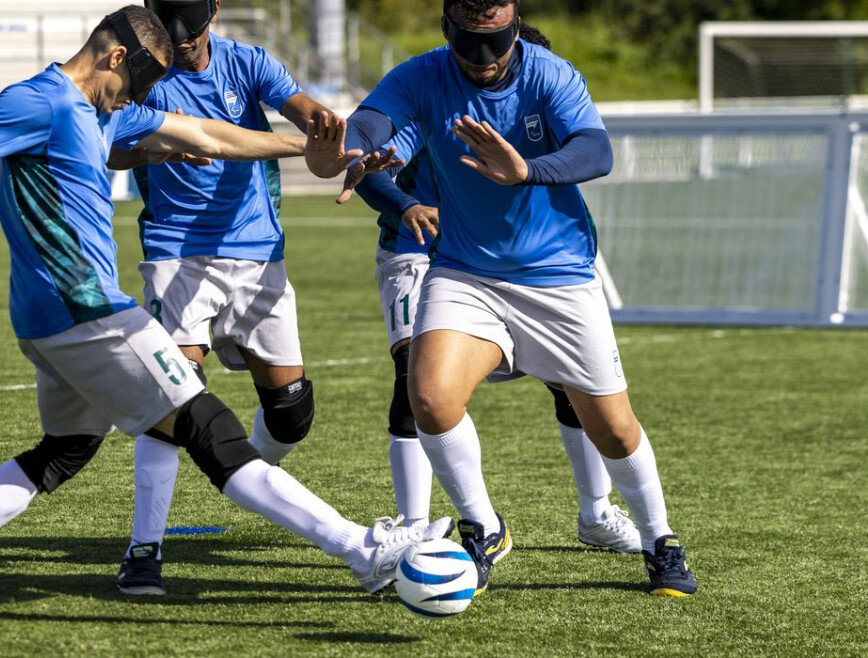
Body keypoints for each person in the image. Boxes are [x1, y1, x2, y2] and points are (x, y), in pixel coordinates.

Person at [0, 5, 444, 613]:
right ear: (114, 58)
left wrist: (312, 147)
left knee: (63, 451)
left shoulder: (103, 108)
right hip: (89, 314)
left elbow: (211, 136)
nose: (132, 106)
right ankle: (364, 551)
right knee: (213, 434)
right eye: (131, 90)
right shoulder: (41, 102)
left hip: (51, 323)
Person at [309, 0, 697, 597]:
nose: (486, 59)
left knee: (614, 429)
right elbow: (372, 123)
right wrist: (347, 148)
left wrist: (528, 170)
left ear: (515, 27)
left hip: (559, 276)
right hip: (465, 273)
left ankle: (660, 540)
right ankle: (483, 528)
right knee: (430, 396)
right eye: (471, 42)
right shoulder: (420, 75)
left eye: (499, 41)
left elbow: (597, 150)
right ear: (448, 30)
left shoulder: (550, 73)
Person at [354, 24, 640, 554]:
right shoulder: (433, 100)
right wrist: (400, 200)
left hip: (510, 261)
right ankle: (415, 524)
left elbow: (591, 153)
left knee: (572, 388)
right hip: (417, 250)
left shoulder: (541, 101)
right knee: (414, 380)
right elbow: (370, 161)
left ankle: (597, 513)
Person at [105, 0, 342, 597]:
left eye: (193, 32)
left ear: (213, 12)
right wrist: (155, 147)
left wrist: (331, 135)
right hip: (175, 256)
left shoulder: (249, 62)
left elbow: (311, 115)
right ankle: (143, 551)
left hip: (259, 256)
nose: (183, 45)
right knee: (170, 404)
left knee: (291, 414)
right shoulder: (140, 71)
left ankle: (249, 475)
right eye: (171, 33)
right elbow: (109, 150)